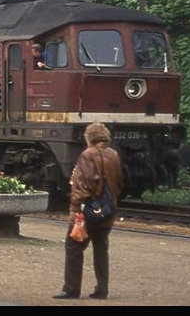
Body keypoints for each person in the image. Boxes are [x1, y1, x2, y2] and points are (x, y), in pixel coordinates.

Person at [54, 122, 123, 300]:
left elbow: (82, 185)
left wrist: (75, 209)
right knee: (101, 248)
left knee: (74, 247)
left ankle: (71, 289)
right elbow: (119, 183)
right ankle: (102, 290)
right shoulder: (114, 155)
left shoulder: (87, 155)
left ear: (88, 138)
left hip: (88, 212)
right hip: (108, 210)